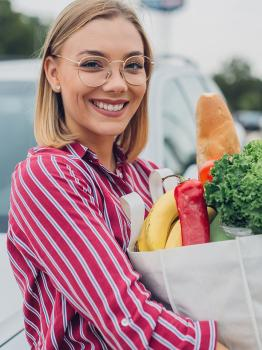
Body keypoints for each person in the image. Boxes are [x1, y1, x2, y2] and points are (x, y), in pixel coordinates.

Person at [7, 0, 228, 349]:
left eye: (133, 65)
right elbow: (127, 319)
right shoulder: (46, 177)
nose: (117, 84)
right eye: (93, 64)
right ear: (53, 73)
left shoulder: (151, 178)